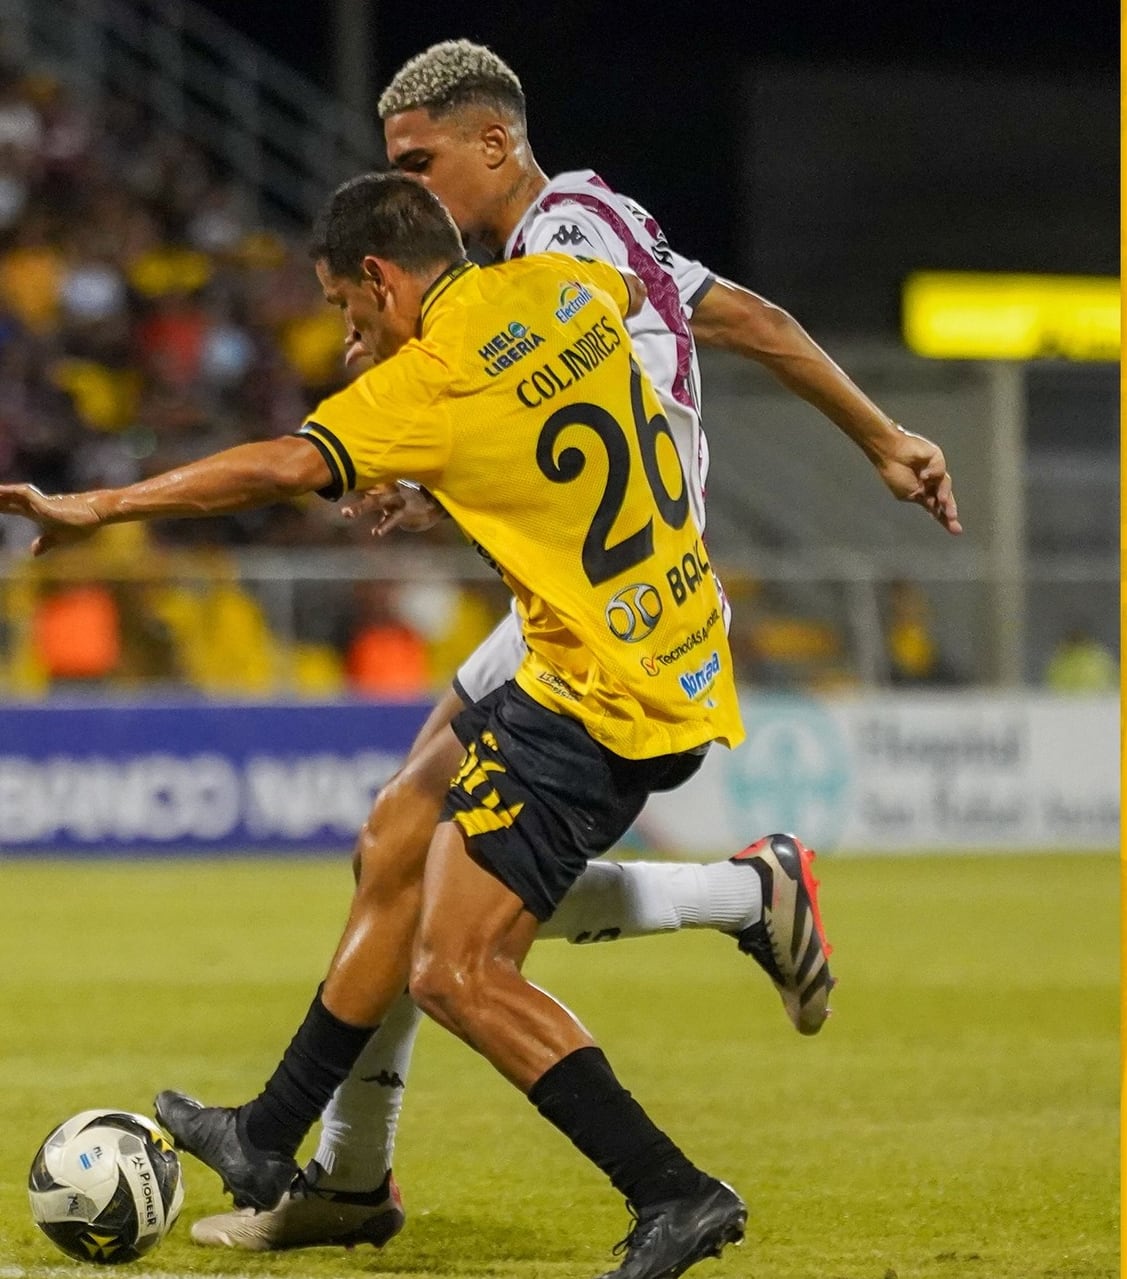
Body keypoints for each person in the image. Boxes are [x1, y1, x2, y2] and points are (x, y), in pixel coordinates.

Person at [182, 39, 963, 1253]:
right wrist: (878, 435)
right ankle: (347, 1167)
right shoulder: (576, 230)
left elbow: (590, 407)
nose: (405, 188)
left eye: (418, 162)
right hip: (576, 596)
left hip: (604, 612)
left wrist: (879, 435)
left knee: (427, 890)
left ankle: (353, 1168)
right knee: (401, 851)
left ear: (493, 143)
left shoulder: (561, 246)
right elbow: (724, 329)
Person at [3, 172, 757, 1279]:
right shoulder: (559, 285)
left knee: (455, 972)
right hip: (668, 641)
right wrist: (437, 474)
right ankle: (266, 1135)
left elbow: (279, 465)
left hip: (595, 696)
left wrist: (101, 504)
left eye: (344, 306)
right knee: (398, 834)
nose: (346, 331)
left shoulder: (431, 376)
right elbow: (607, 354)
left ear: (379, 276)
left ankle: (674, 1190)